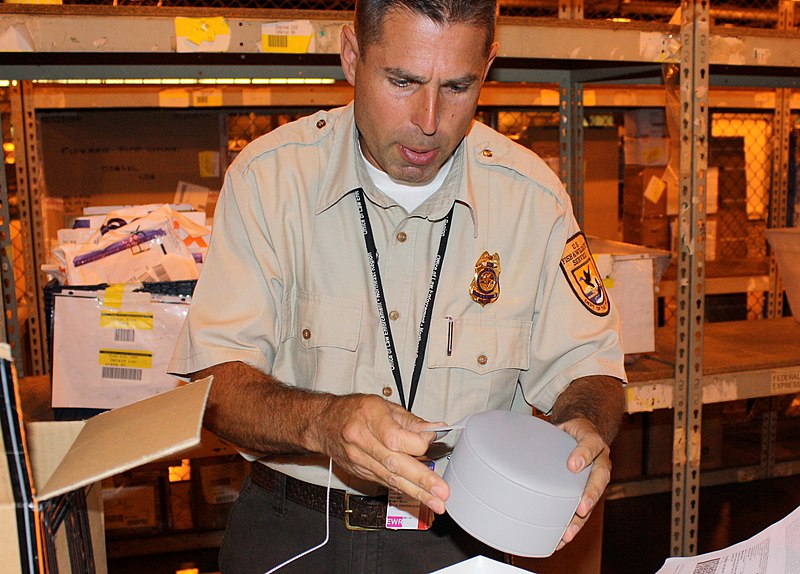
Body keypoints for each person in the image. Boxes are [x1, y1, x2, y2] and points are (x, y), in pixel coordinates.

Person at [169, 0, 627, 572]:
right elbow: (214, 381)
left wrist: (580, 424)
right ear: (352, 56)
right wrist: (325, 422)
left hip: (463, 534)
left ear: (488, 68)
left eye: (458, 86)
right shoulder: (269, 182)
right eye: (403, 81)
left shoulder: (532, 199)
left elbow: (592, 367)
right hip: (297, 529)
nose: (429, 119)